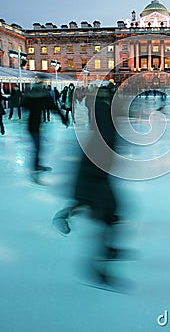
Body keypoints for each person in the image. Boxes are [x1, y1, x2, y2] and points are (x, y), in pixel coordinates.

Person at [52, 82, 129, 289]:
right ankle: (96, 267)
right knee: (106, 214)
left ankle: (107, 248)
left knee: (111, 213)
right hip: (93, 175)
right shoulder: (105, 116)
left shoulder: (106, 117)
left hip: (98, 174)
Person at [22, 75, 68, 172]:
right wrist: (63, 118)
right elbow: (54, 108)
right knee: (38, 146)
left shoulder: (32, 95)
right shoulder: (43, 96)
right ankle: (36, 166)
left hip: (32, 124)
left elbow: (24, 106)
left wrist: (27, 95)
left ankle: (36, 165)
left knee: (38, 146)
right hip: (35, 125)